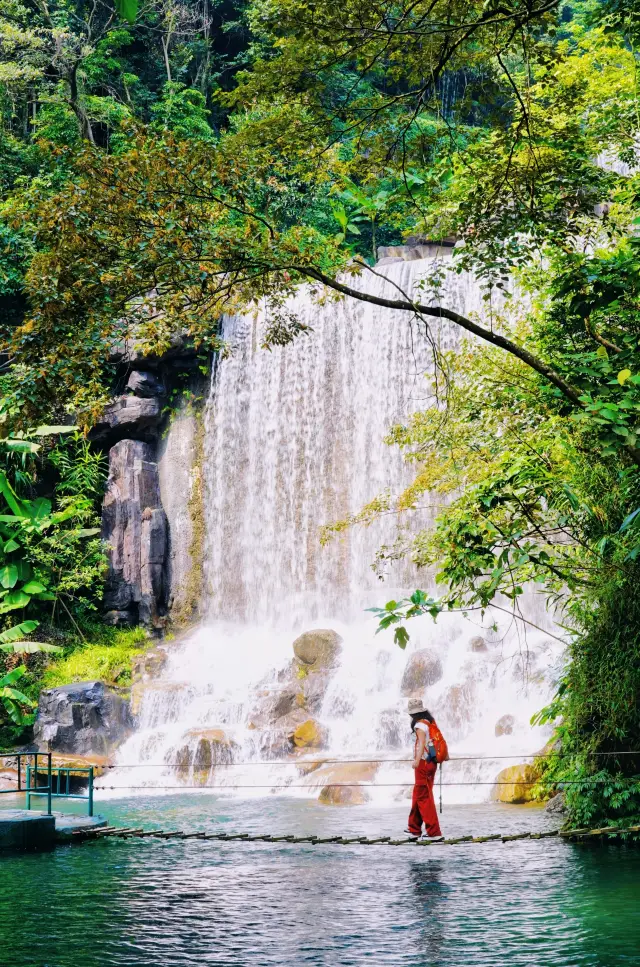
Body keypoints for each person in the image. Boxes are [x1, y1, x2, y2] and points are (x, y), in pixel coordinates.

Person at [405, 697, 443, 840]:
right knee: (418, 794)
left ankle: (434, 832)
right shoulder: (429, 723)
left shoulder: (420, 726)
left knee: (424, 797)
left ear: (413, 714)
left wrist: (416, 760)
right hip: (431, 763)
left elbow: (421, 744)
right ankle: (414, 829)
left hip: (423, 763)